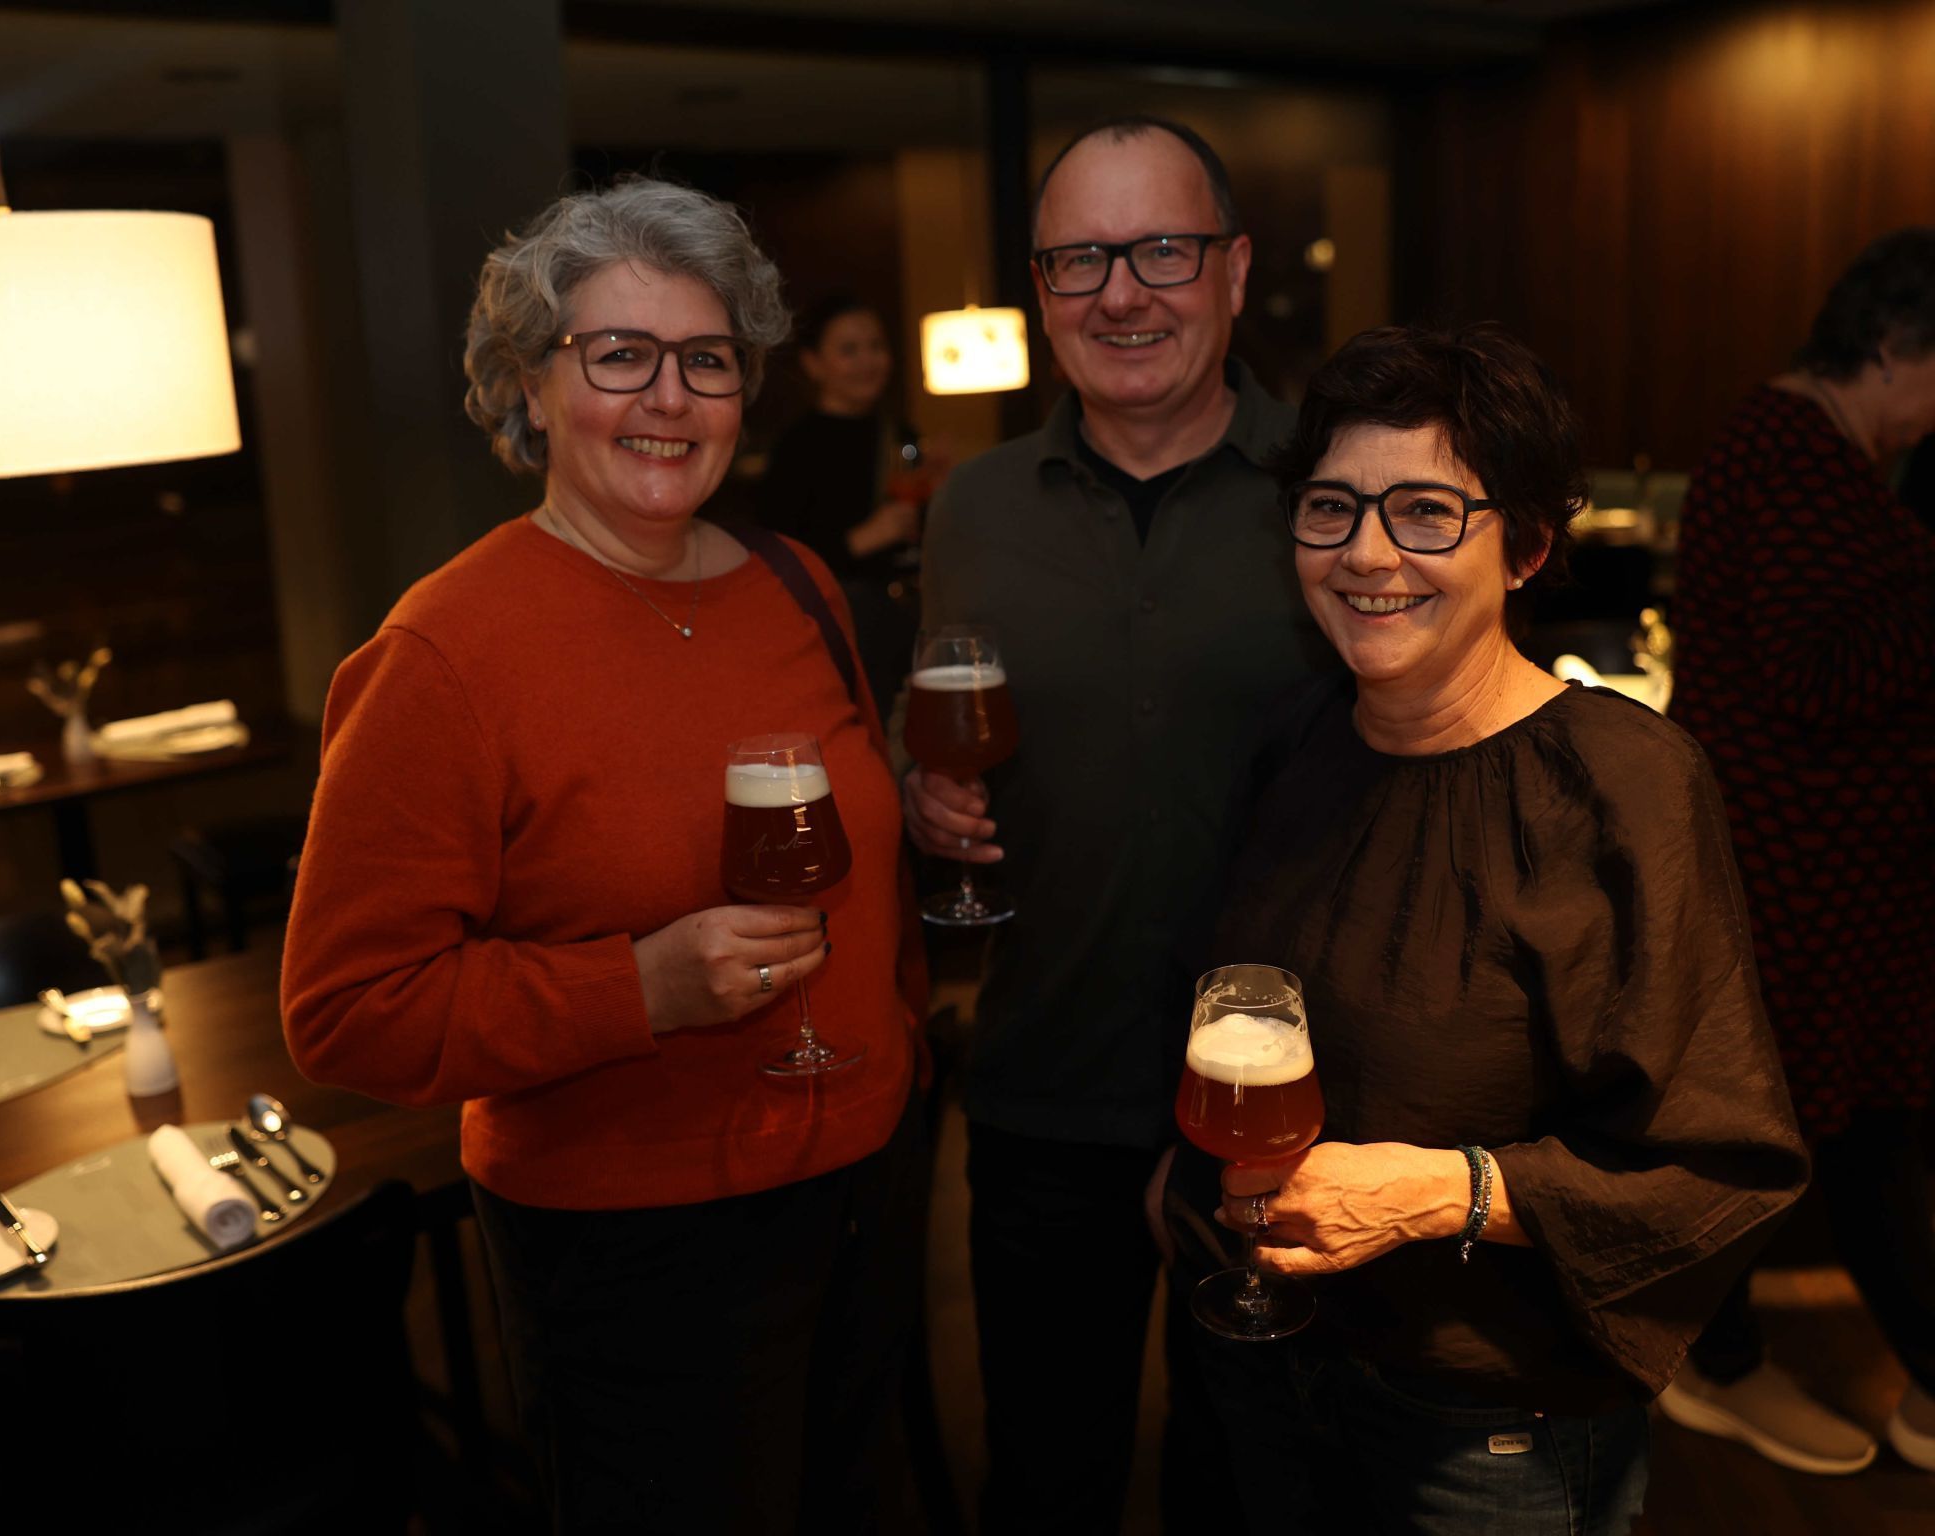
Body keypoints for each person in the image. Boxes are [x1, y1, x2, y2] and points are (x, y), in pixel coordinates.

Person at [280, 176, 924, 1536]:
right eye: (619, 355)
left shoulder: (796, 583)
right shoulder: (443, 656)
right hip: (637, 1249)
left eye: (707, 360)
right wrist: (637, 990)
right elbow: (345, 1011)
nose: (669, 400)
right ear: (528, 382)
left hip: (861, 1189)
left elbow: (860, 869)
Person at [1165, 323, 1810, 1533]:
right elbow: (1224, 989)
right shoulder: (1294, 737)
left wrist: (1437, 1192)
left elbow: (1720, 1167)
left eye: (1422, 511)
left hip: (1481, 1431)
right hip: (1256, 1365)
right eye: (1330, 507)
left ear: (1522, 546)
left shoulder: (1624, 786)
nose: (1365, 554)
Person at [905, 116, 1327, 1533]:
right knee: (1045, 1477)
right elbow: (953, 752)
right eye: (1081, 258)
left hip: (1286, 1105)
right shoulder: (970, 511)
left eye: (1161, 249)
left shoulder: (1332, 490)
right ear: (1040, 287)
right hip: (1041, 1090)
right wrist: (925, 802)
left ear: (1233, 269)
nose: (1122, 293)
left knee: (1256, 1479)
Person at [1663, 227, 1935, 1476]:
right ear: (1890, 350)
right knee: (1782, 1133)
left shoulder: (1817, 453)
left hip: (1836, 883)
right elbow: (1807, 677)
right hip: (1782, 878)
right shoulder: (1783, 455)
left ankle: (1736, 1363)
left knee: (1842, 1131)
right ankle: (1710, 1365)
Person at [759, 296, 924, 700]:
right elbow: (777, 559)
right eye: (849, 350)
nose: (869, 361)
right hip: (844, 625)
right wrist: (864, 537)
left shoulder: (900, 435)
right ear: (813, 363)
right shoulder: (797, 448)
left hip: (909, 616)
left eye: (876, 346)